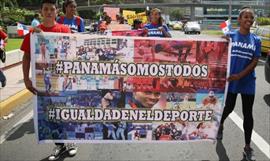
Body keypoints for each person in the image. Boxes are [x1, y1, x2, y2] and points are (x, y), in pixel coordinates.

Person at [20, 0, 78, 160]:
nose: (49, 12)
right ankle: (59, 145)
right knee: (51, 115)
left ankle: (70, 141)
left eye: (52, 9)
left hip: (63, 81)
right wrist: (26, 79)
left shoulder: (64, 30)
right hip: (44, 82)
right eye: (46, 9)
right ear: (41, 11)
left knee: (65, 112)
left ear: (56, 11)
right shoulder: (33, 33)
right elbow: (26, 58)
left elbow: (73, 53)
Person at [217, 7, 261, 161]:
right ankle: (220, 123)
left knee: (248, 114)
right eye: (246, 17)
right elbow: (221, 28)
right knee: (228, 107)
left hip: (247, 81)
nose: (249, 20)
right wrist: (223, 40)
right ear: (239, 20)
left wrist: (240, 76)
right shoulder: (231, 35)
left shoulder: (256, 40)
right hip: (232, 80)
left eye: (251, 18)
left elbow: (255, 61)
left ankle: (247, 147)